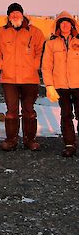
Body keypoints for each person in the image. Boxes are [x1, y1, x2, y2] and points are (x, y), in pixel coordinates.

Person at [0, 3, 45, 152]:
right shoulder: (1, 32)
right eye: (12, 14)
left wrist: (35, 65)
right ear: (8, 16)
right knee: (11, 110)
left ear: (22, 14)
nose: (15, 16)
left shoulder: (35, 32)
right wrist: (3, 65)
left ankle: (30, 140)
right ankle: (11, 140)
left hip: (30, 78)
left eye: (17, 13)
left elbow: (41, 51)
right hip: (9, 79)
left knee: (29, 110)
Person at [41, 12, 79, 157]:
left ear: (72, 25)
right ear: (58, 25)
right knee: (66, 115)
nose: (65, 25)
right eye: (62, 22)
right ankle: (69, 144)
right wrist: (49, 85)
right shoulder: (51, 44)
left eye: (67, 22)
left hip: (78, 84)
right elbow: (46, 66)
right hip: (61, 86)